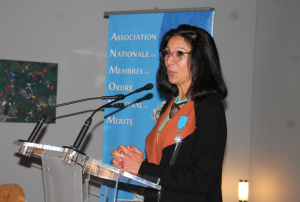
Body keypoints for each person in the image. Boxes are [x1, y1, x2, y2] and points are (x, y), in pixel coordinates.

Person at [111, 24, 228, 202]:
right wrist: (135, 162)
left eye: (179, 54)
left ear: (201, 59)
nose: (169, 60)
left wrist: (143, 167)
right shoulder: (171, 104)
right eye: (167, 53)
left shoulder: (209, 108)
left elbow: (203, 178)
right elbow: (168, 167)